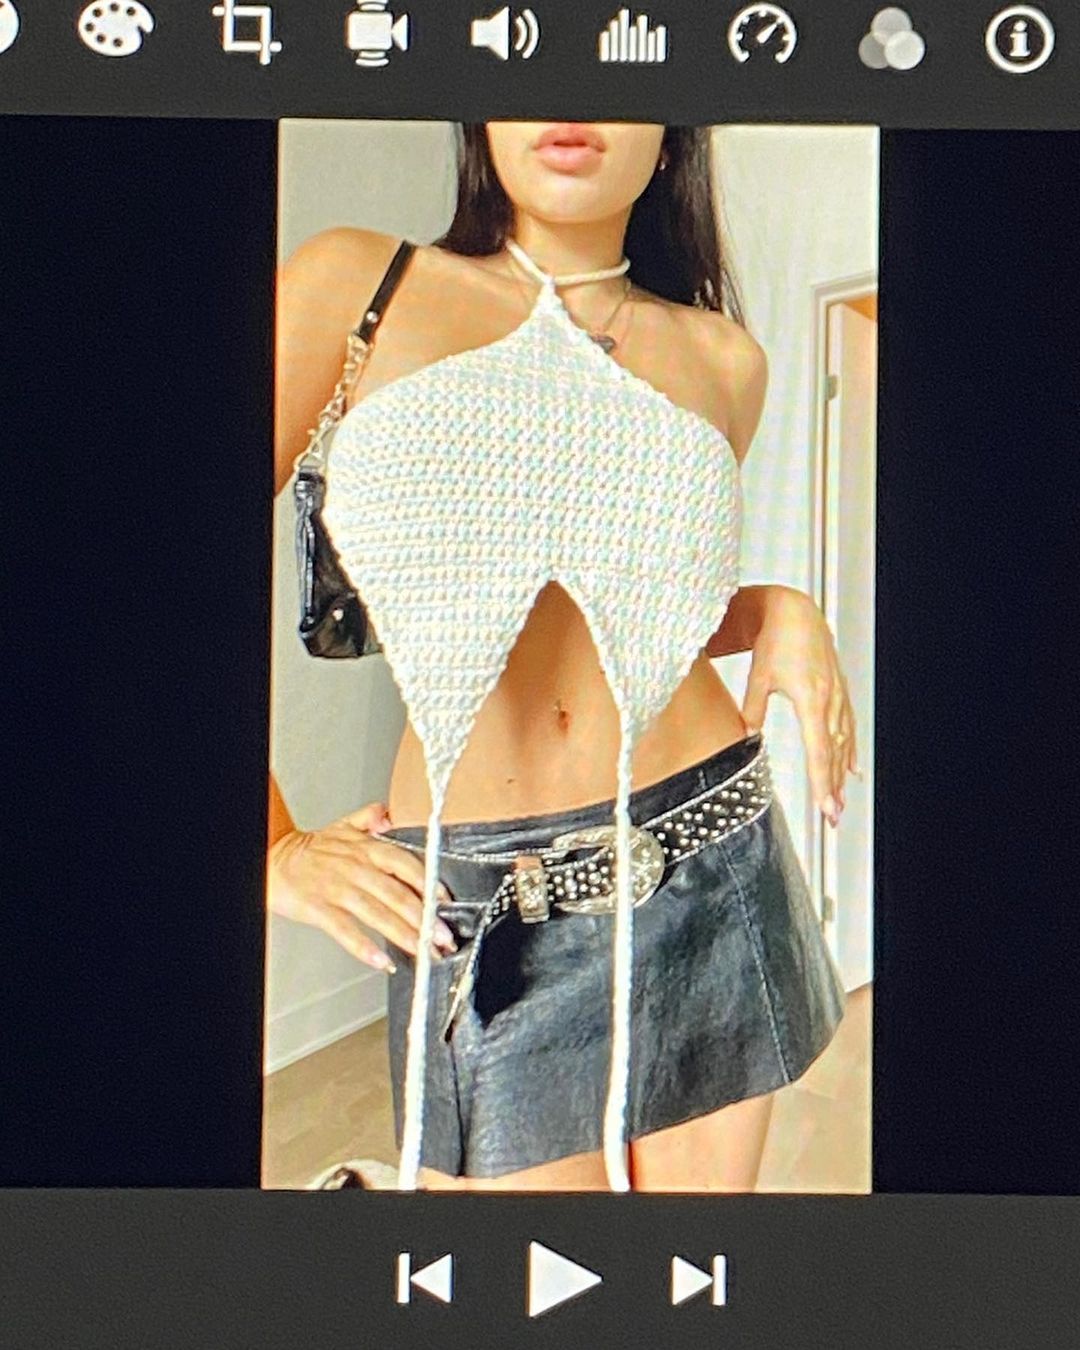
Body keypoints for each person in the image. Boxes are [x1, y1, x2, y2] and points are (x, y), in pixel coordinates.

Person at [268, 121, 857, 1193]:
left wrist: (779, 609)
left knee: (689, 1271)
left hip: (712, 856)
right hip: (487, 907)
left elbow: (640, 609)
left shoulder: (726, 359)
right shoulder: (358, 286)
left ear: (671, 139)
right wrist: (269, 849)